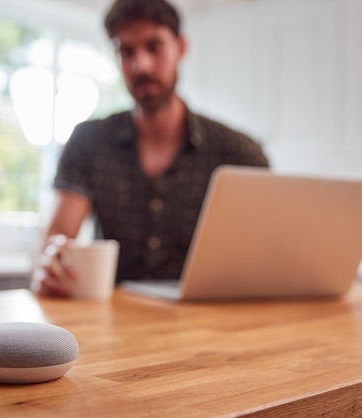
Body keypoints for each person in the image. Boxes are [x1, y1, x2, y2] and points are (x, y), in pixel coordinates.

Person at [31, 0, 269, 297]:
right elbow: (58, 238)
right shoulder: (88, 142)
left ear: (181, 48)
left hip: (211, 322)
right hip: (113, 322)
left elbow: (265, 255)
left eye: (154, 47)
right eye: (126, 51)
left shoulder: (239, 153)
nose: (140, 65)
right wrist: (51, 264)